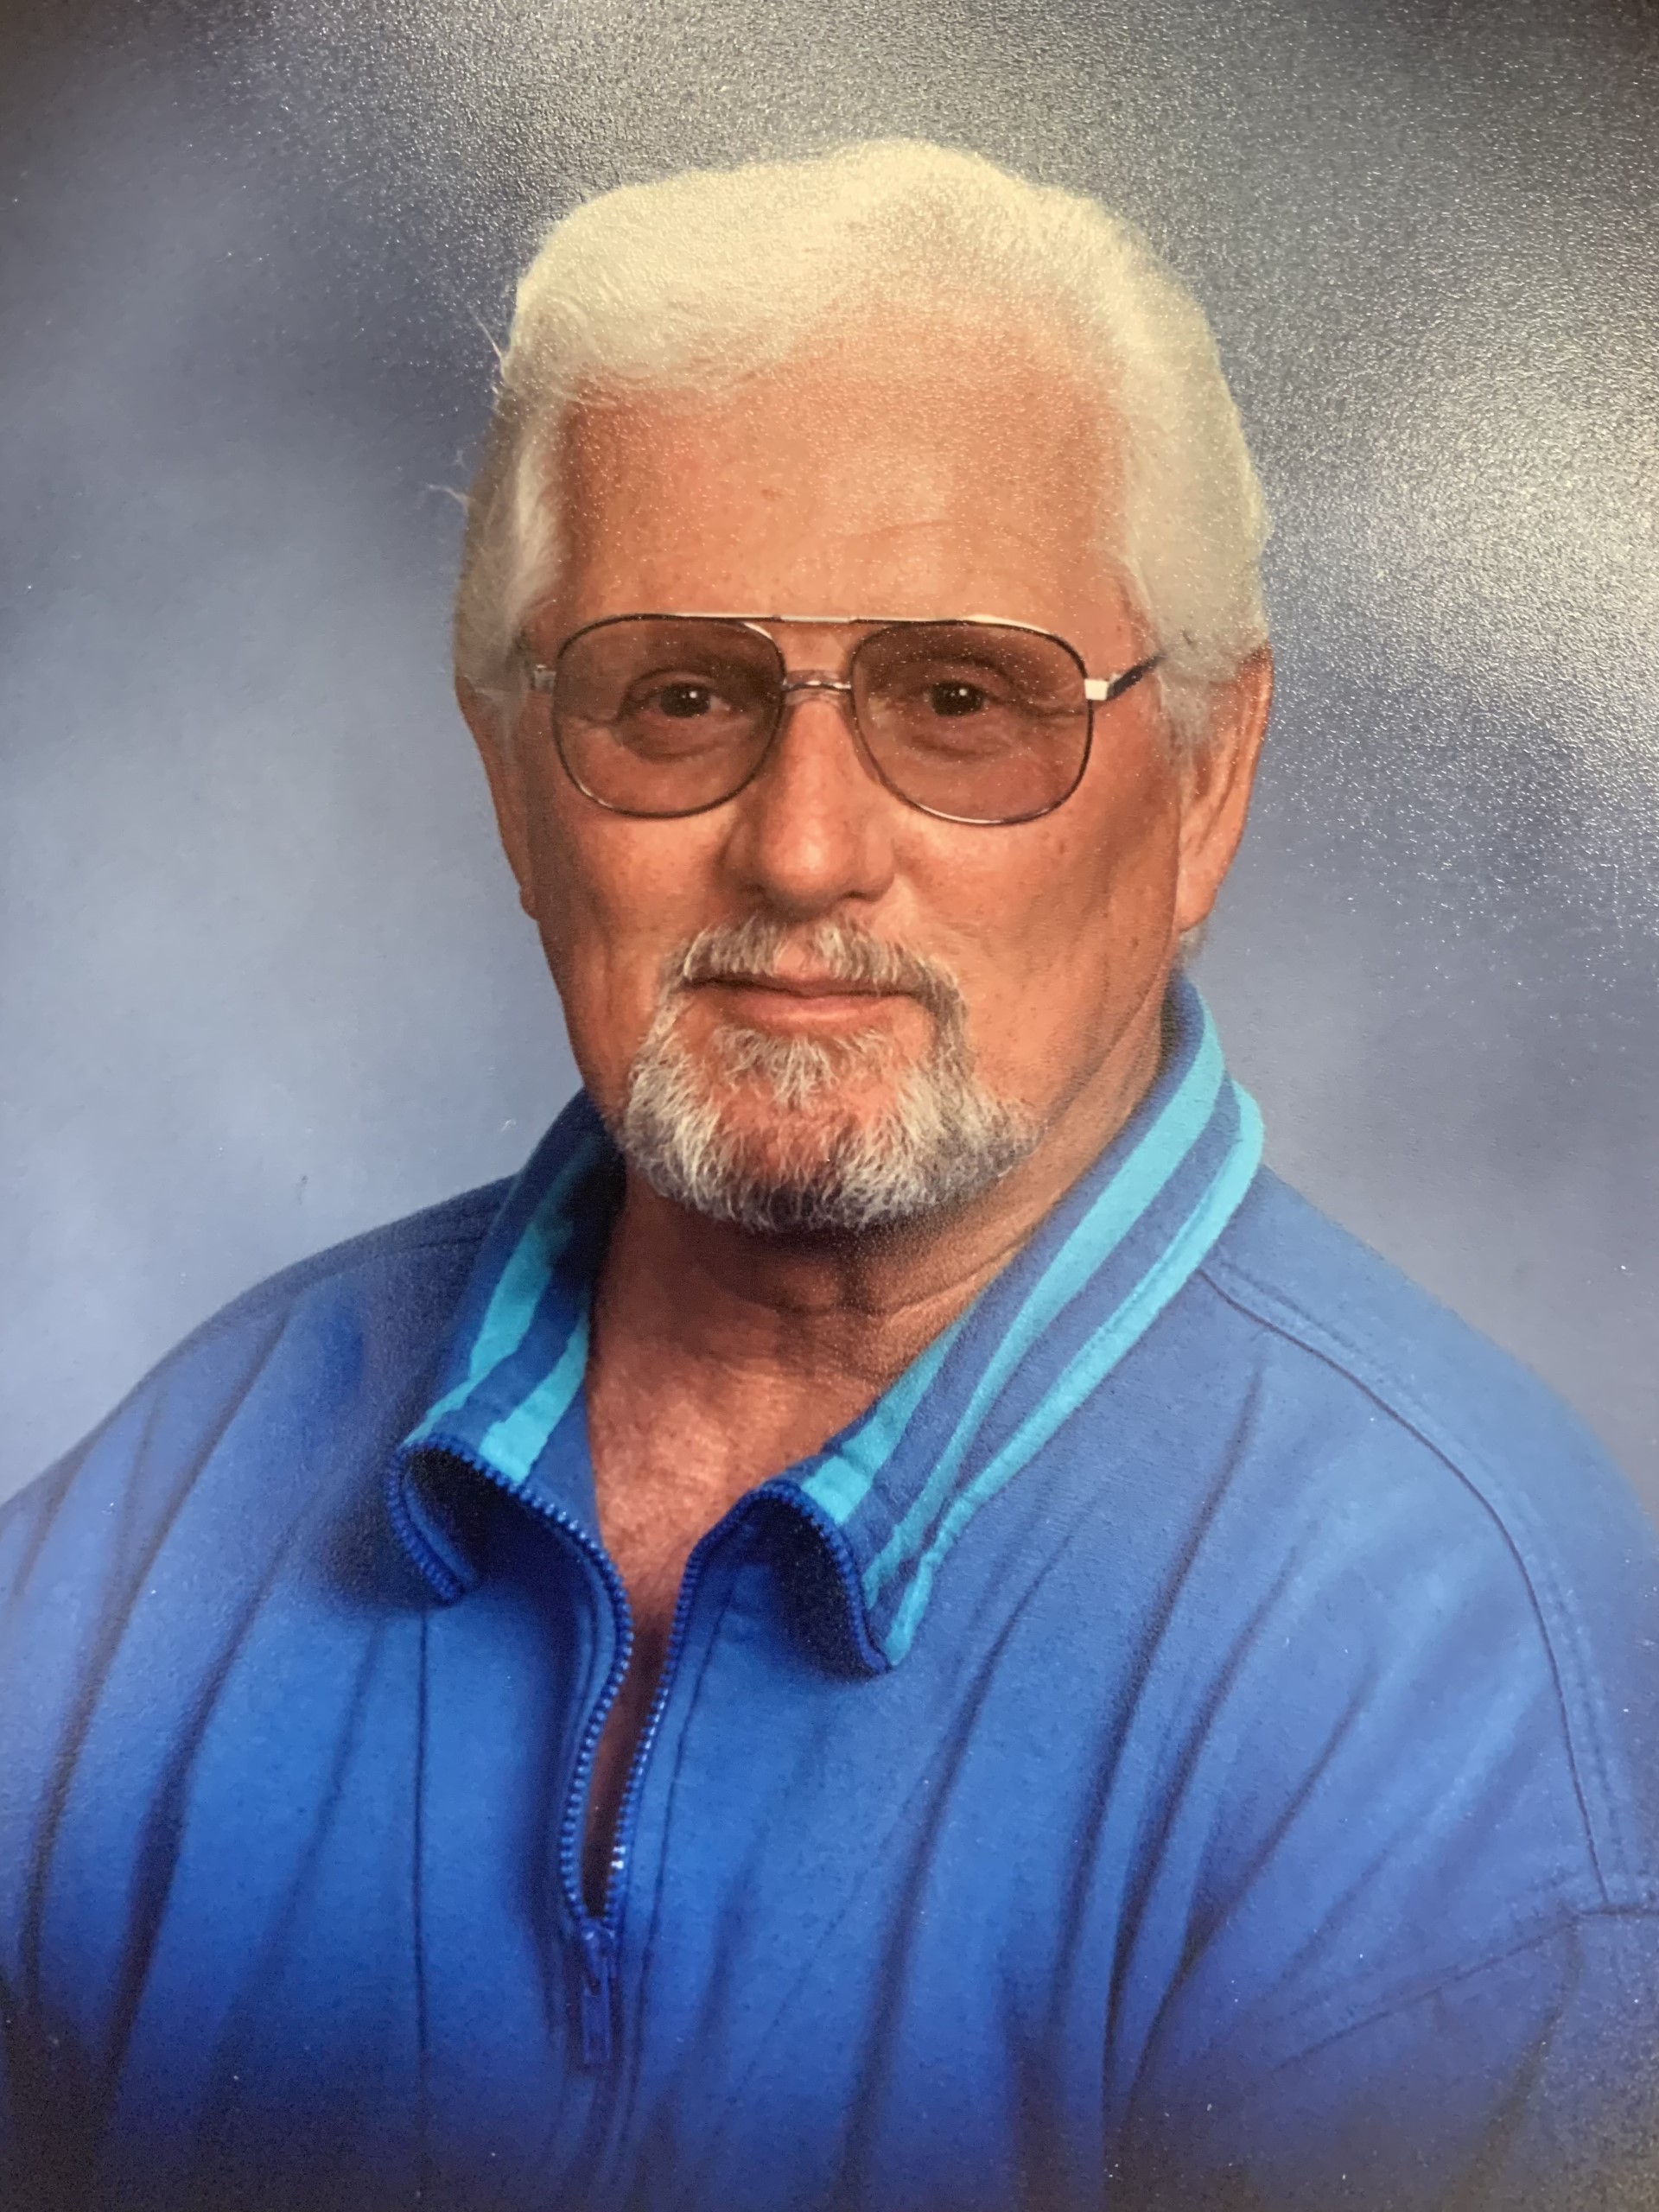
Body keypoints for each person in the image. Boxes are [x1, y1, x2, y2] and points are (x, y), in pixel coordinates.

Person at [3, 139, 1656, 2212]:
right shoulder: (168, 1517)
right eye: (678, 694)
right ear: (514, 781)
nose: (800, 850)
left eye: (960, 699)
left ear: (1208, 780)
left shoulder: (1439, 1685)